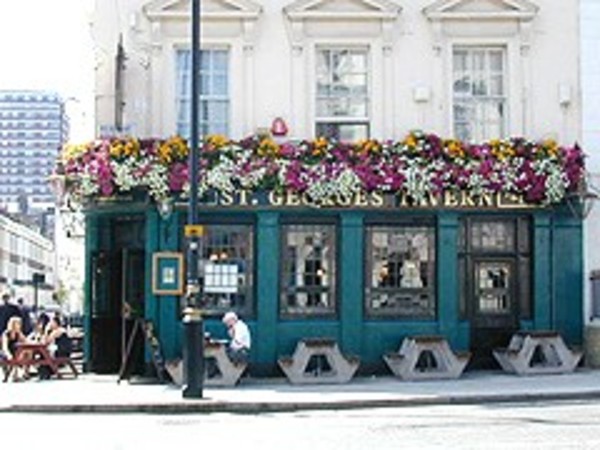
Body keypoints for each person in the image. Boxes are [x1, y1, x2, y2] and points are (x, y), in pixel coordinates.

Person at [38, 315, 72, 380]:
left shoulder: (59, 330)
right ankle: (45, 372)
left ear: (56, 323)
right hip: (58, 351)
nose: (50, 324)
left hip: (62, 352)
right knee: (44, 355)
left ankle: (46, 372)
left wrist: (46, 330)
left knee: (45, 355)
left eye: (51, 322)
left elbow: (46, 341)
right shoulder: (54, 331)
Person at [0, 316, 28, 381]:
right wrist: (9, 355)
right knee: (10, 357)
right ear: (13, 325)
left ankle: (22, 373)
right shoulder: (6, 334)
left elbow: (26, 341)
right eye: (18, 324)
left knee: (26, 352)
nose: (20, 326)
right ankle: (10, 374)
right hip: (6, 352)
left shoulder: (18, 333)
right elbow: (5, 347)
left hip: (15, 352)